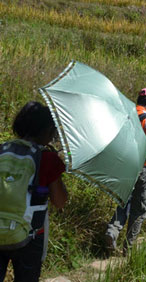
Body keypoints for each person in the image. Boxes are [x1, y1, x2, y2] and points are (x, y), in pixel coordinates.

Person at [0, 101, 68, 282]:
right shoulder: (47, 157)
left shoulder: (2, 150)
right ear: (45, 130)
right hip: (30, 236)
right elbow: (59, 201)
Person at [105, 88, 146, 254]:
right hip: (142, 167)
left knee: (123, 202)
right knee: (140, 209)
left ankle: (112, 232)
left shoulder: (125, 115)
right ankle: (128, 248)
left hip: (123, 165)